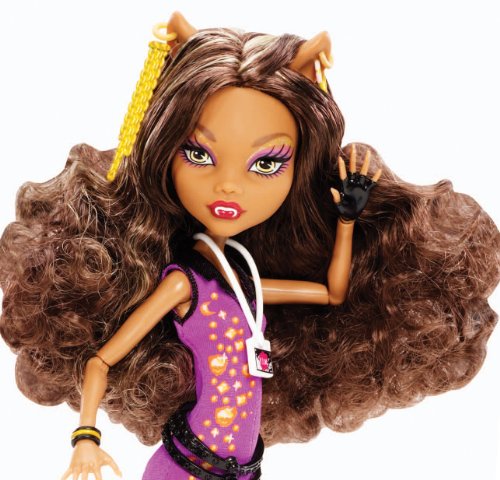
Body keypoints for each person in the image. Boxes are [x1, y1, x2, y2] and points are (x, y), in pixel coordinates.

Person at [0, 11, 498, 480]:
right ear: (164, 154)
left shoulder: (248, 281)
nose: (228, 186)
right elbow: (100, 361)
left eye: (266, 163)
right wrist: (85, 438)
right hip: (189, 463)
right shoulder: (184, 284)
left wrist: (347, 219)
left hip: (241, 467)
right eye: (198, 154)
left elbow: (332, 293)